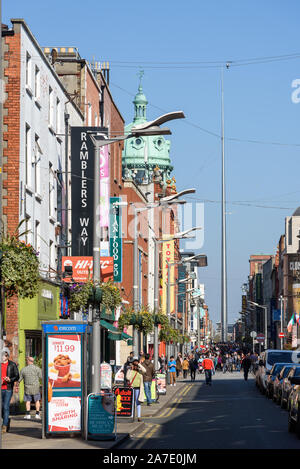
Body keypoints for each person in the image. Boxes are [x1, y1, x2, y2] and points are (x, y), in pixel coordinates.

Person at [1, 348, 19, 433]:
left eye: (4, 355)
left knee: (5, 407)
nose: (3, 357)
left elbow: (17, 376)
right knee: (2, 408)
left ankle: (4, 426)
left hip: (8, 389)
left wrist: (10, 379)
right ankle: (7, 420)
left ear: (7, 356)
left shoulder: (12, 364)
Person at [126, 357, 146, 422]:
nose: (135, 366)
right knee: (132, 402)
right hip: (131, 389)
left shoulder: (140, 372)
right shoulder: (131, 371)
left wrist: (139, 364)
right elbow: (127, 377)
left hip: (138, 389)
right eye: (134, 365)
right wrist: (130, 369)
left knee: (138, 402)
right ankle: (131, 415)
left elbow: (145, 370)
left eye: (136, 365)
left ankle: (139, 416)